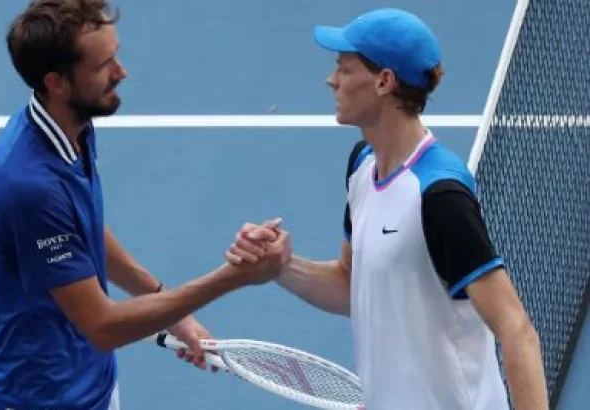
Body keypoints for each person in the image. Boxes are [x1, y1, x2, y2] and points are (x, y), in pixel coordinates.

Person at [225, 8, 549, 410]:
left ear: (383, 81)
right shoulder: (362, 166)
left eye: (344, 68)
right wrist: (281, 267)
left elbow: (516, 329)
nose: (331, 80)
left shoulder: (439, 196)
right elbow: (350, 284)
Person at [0, 1, 291, 409]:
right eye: (104, 65)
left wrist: (172, 311)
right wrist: (233, 277)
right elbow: (103, 327)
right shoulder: (30, 184)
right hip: (41, 400)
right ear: (57, 82)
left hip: (90, 385)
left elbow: (82, 232)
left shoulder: (71, 127)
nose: (121, 73)